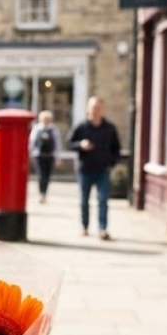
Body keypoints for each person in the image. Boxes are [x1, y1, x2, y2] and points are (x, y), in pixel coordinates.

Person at [69, 96, 122, 240]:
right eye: (93, 107)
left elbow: (117, 149)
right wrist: (80, 144)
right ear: (88, 109)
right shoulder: (81, 126)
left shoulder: (110, 128)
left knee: (103, 200)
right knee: (84, 200)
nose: (95, 110)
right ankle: (84, 226)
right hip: (85, 169)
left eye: (98, 108)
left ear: (102, 109)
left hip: (103, 170)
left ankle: (102, 229)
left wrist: (113, 163)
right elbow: (69, 143)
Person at [28, 110, 62, 204]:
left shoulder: (54, 129)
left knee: (47, 176)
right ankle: (41, 193)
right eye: (44, 119)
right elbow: (32, 142)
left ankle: (44, 193)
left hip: (50, 155)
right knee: (41, 175)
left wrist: (57, 156)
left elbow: (57, 143)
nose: (46, 120)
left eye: (48, 119)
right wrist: (29, 154)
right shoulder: (37, 129)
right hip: (38, 156)